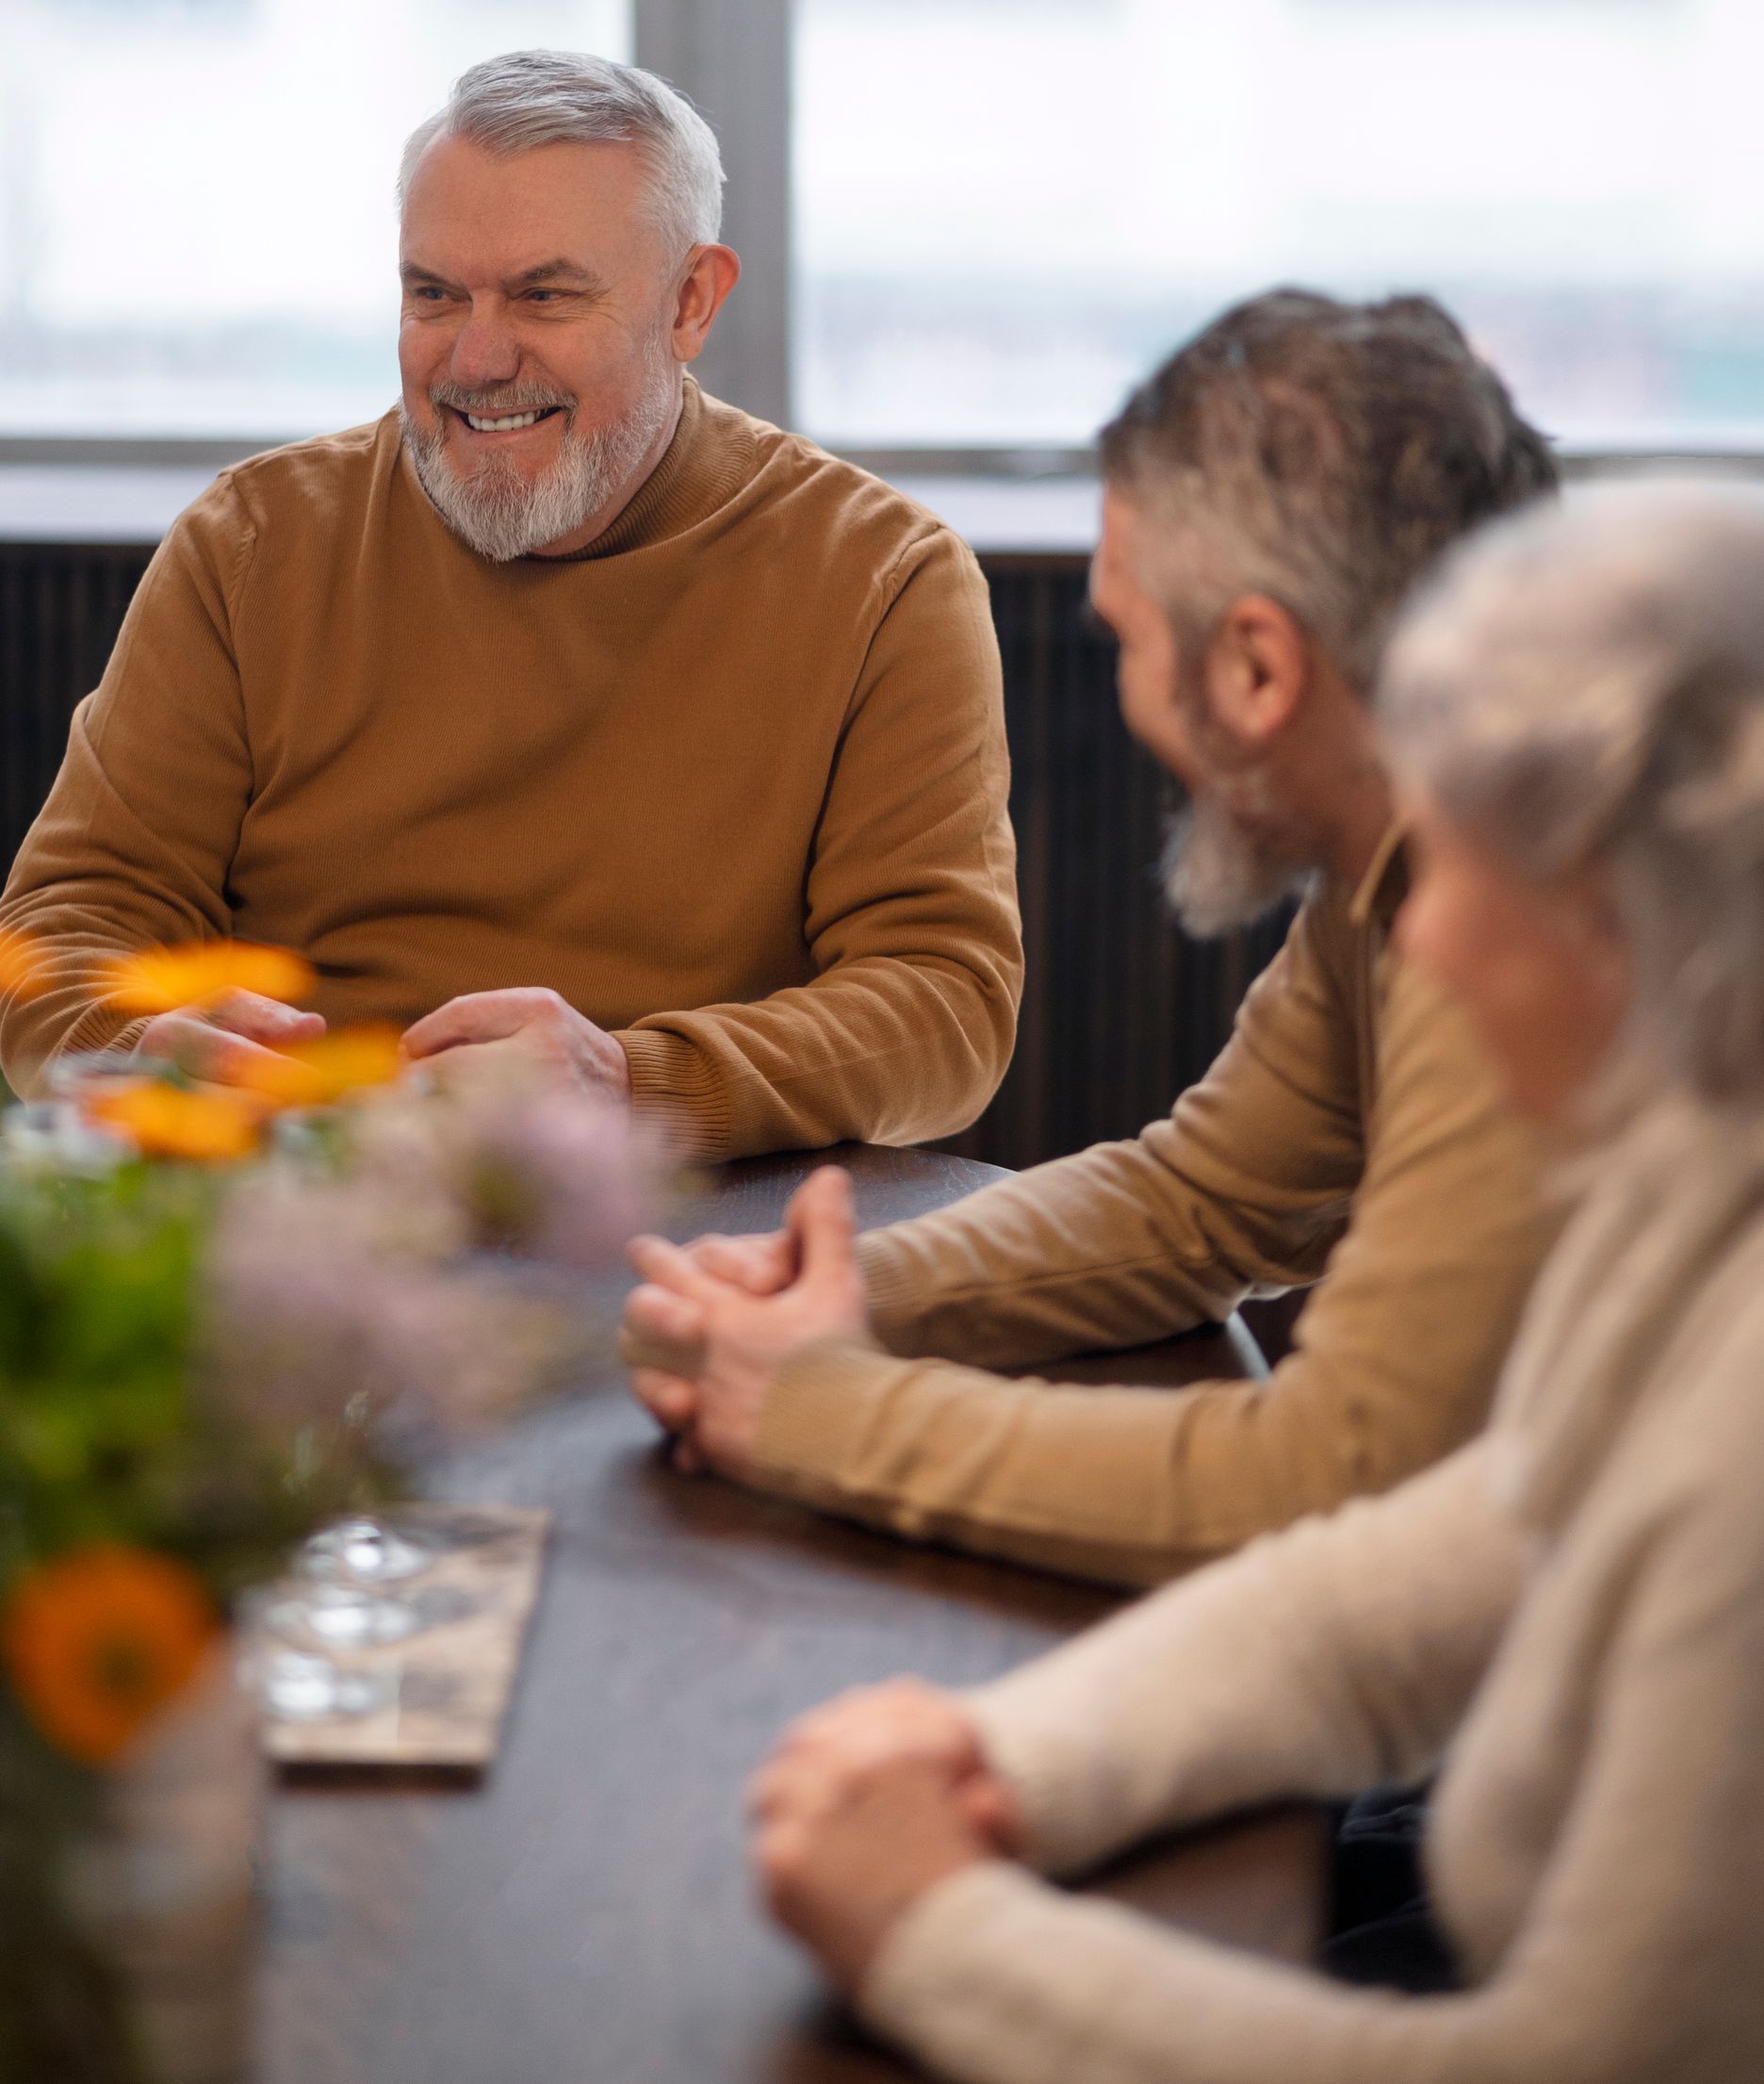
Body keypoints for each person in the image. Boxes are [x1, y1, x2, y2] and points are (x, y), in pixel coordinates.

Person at [748, 479, 1764, 2084]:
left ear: (1621, 923)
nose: (1415, 955)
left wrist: (938, 1933)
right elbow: (1414, 1585)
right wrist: (998, 1757)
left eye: (1465, 879)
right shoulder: (1692, 1176)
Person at [625, 291, 1559, 1582]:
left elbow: (1332, 1472)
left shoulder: (1526, 910)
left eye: (1123, 635)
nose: (1122, 690)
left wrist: (814, 1410)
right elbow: (1207, 1198)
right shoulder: (1428, 815)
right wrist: (826, 1297)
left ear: (1256, 669)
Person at [0, 50, 1021, 1159]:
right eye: (434, 293)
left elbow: (948, 1001)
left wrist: (632, 1084)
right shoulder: (255, 543)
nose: (475, 356)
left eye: (544, 293)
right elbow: (63, 931)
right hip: (286, 1206)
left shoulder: (882, 576)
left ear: (691, 301)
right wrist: (146, 1053)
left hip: (683, 1217)